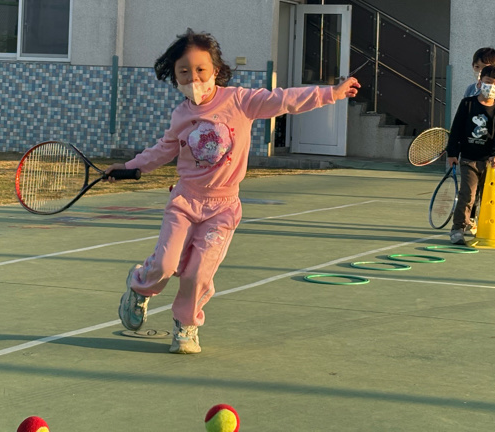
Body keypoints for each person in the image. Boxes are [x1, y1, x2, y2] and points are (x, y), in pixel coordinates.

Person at [107, 29, 360, 354]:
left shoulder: (240, 101)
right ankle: (140, 287)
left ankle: (186, 325)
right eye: (184, 71)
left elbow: (284, 99)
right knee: (165, 265)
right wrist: (129, 168)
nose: (193, 78)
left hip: (223, 208)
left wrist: (330, 93)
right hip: (185, 201)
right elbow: (163, 150)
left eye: (201, 70)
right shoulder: (181, 115)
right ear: (174, 76)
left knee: (198, 272)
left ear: (216, 69)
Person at [445, 65, 495, 245]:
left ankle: (483, 228)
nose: (492, 87)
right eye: (488, 82)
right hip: (468, 159)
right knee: (467, 195)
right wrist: (452, 153)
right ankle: (458, 229)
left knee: (489, 198)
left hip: (489, 163)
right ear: (480, 83)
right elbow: (456, 129)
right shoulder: (467, 104)